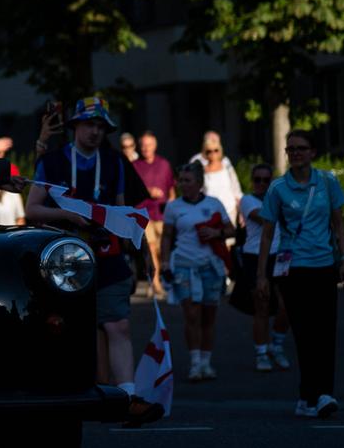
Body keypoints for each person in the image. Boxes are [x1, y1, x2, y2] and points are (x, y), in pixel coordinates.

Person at [26, 96, 159, 424]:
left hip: (108, 254)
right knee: (63, 326)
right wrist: (70, 215)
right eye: (89, 125)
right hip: (63, 258)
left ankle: (127, 397)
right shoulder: (54, 161)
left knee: (119, 324)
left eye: (101, 126)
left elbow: (124, 210)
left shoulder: (114, 162)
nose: (95, 132)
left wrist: (144, 252)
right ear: (74, 127)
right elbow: (32, 209)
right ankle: (62, 395)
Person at [251, 130, 344, 418]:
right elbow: (267, 235)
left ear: (313, 152)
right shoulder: (278, 188)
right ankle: (312, 395)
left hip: (324, 266)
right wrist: (261, 275)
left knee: (325, 332)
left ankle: (321, 394)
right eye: (290, 149)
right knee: (305, 333)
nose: (295, 153)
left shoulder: (328, 182)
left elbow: (339, 224)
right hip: (293, 269)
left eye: (301, 148)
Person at [161, 161, 232, 381]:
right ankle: (194, 364)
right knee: (191, 314)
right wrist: (164, 263)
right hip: (184, 265)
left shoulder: (214, 203)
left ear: (199, 183)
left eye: (187, 180)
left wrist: (216, 232)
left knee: (208, 317)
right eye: (180, 180)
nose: (182, 184)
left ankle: (206, 363)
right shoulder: (173, 207)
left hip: (210, 266)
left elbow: (232, 229)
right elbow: (166, 236)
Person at [237, 162, 291, 372]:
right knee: (261, 306)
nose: (261, 183)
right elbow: (263, 218)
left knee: (286, 306)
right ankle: (261, 352)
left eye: (265, 180)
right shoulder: (248, 199)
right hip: (255, 256)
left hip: (281, 255)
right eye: (257, 179)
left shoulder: (279, 199)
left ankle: (276, 345)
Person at [130, 132, 175, 299]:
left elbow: (171, 189)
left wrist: (173, 206)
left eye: (149, 145)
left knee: (163, 249)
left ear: (155, 146)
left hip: (163, 213)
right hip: (144, 213)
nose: (146, 148)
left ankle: (163, 278)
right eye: (143, 145)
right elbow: (130, 190)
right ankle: (155, 283)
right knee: (151, 248)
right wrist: (148, 192)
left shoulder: (164, 164)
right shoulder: (134, 165)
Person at [192, 131, 243, 223]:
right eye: (209, 151)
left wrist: (241, 209)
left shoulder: (226, 163)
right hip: (209, 212)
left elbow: (235, 187)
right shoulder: (197, 162)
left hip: (229, 209)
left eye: (216, 150)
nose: (213, 153)